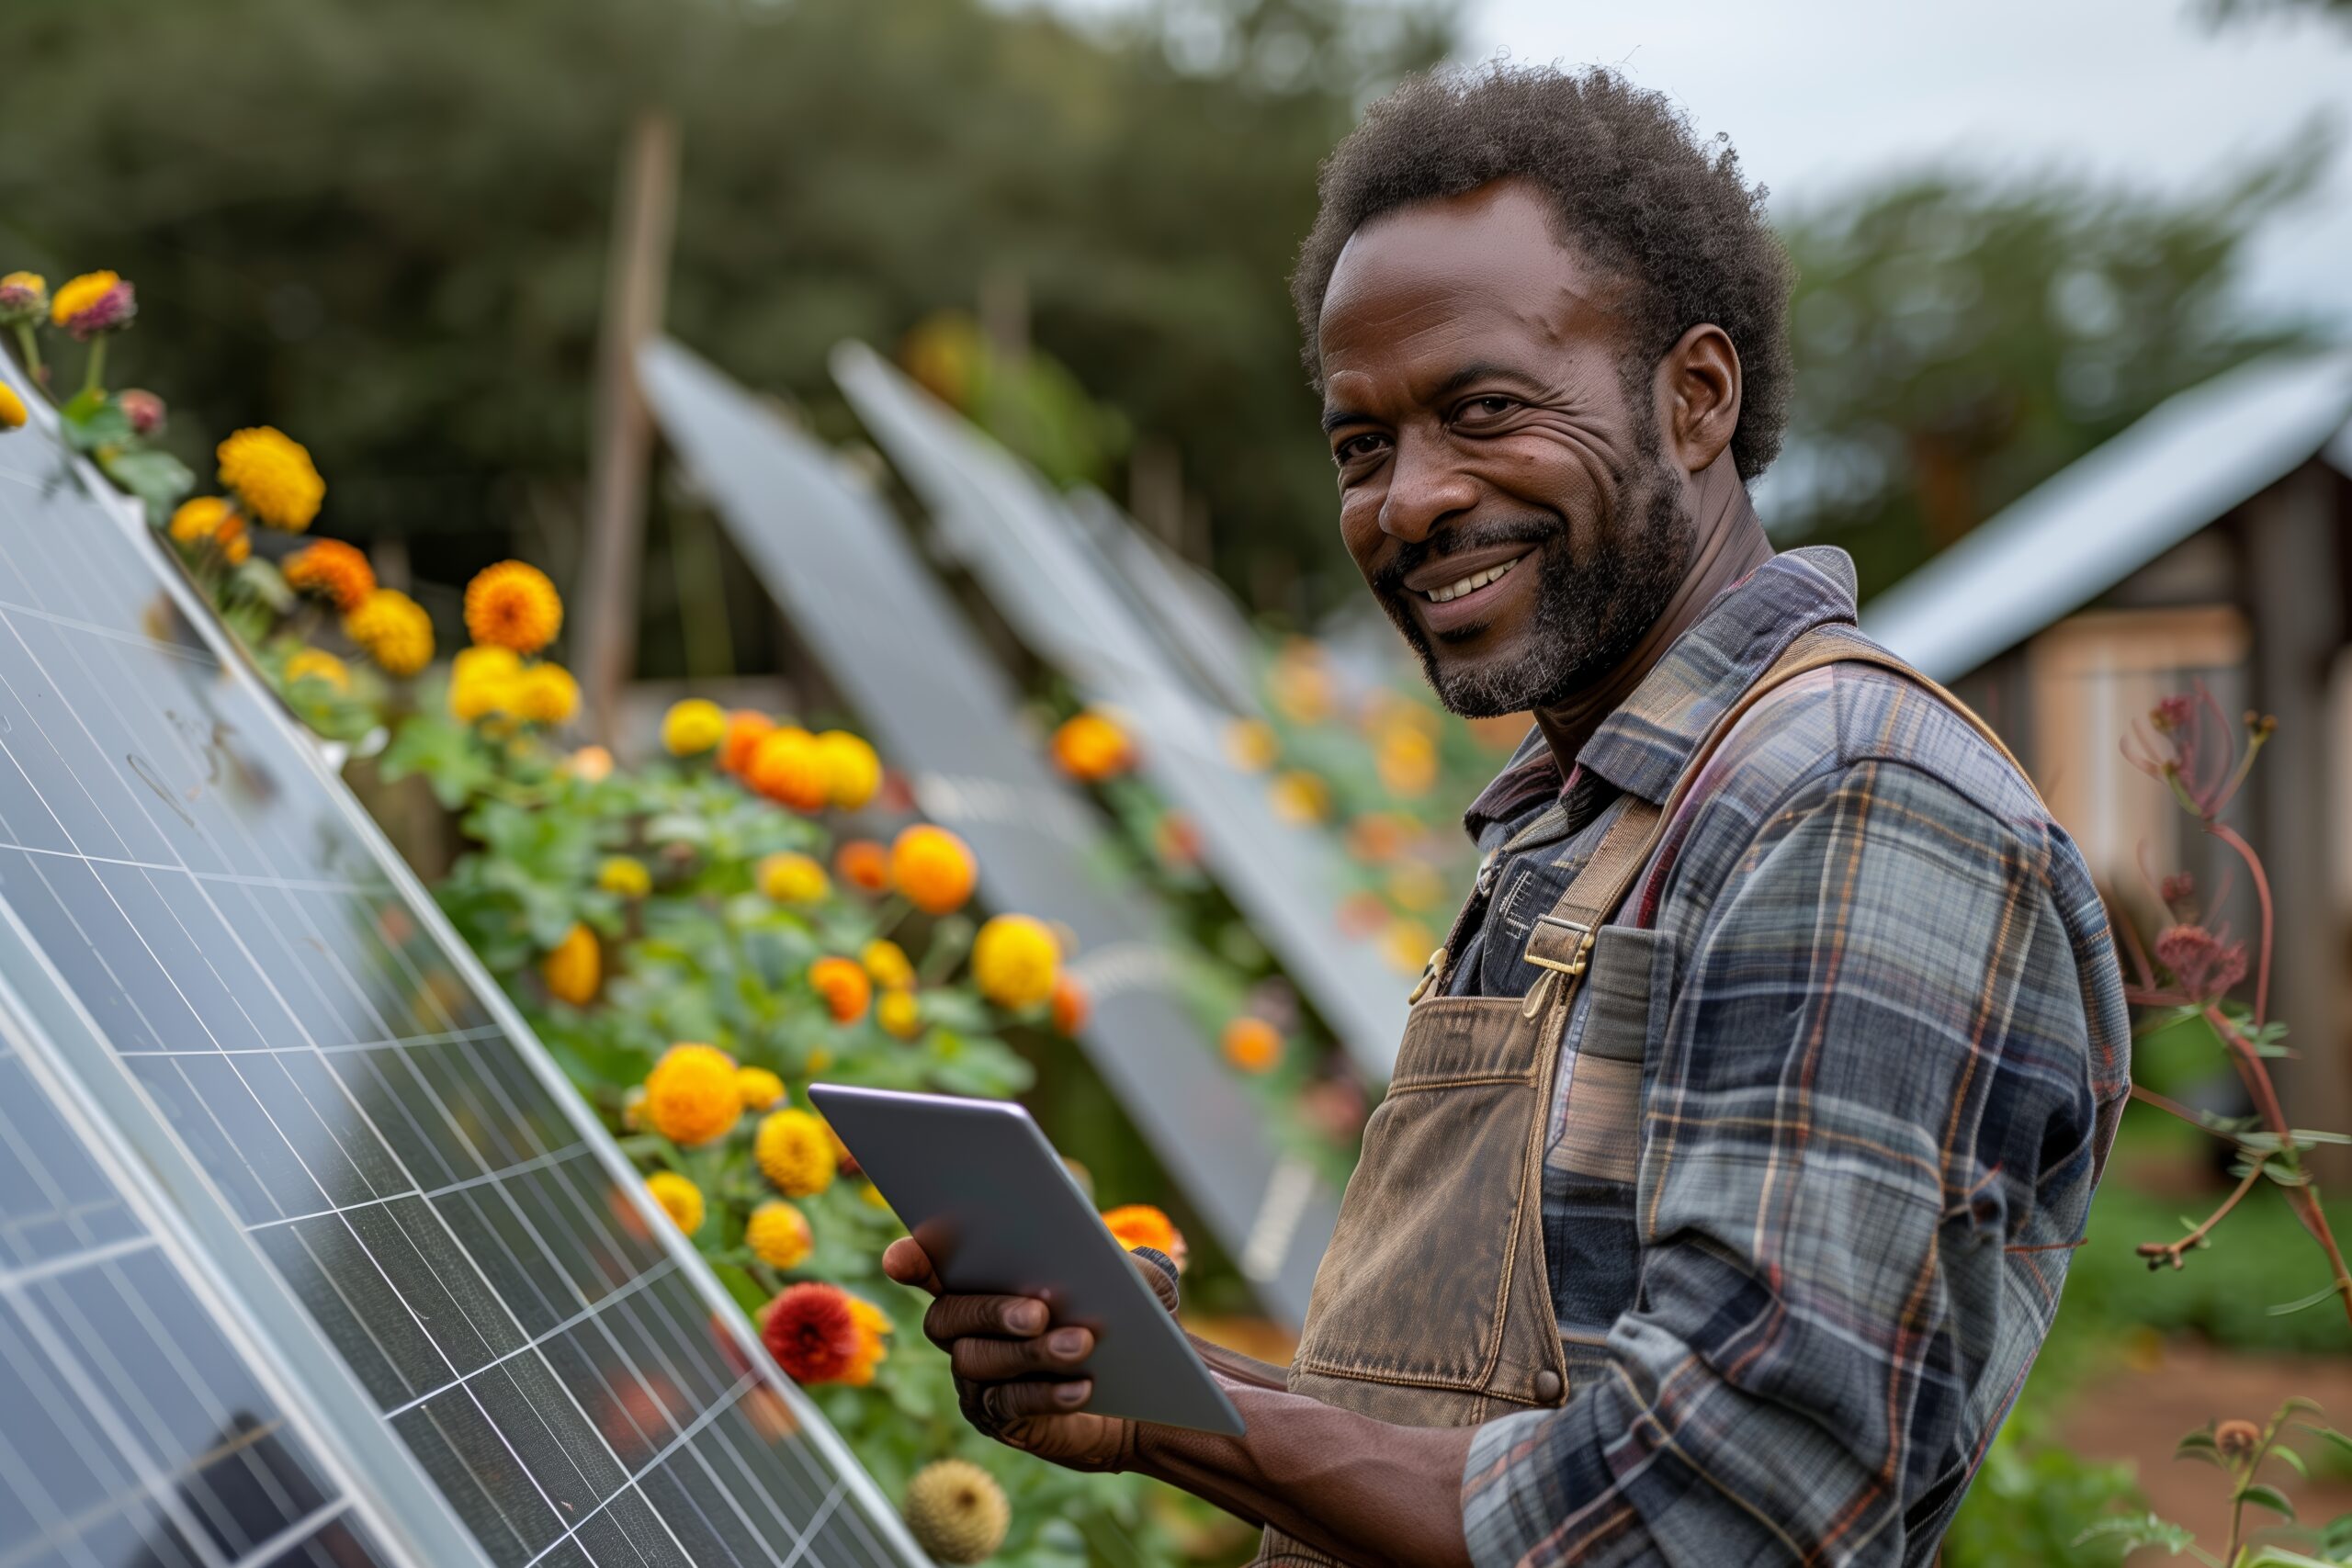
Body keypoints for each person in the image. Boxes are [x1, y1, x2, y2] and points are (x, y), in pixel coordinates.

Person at [883, 62, 2128, 1567]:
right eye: (1362, 445)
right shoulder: (1590, 820)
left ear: (1696, 399)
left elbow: (1716, 1508)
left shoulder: (1848, 801)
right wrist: (1155, 1390)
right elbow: (1511, 1426)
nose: (1410, 500)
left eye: (1485, 410)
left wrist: (1211, 1426)